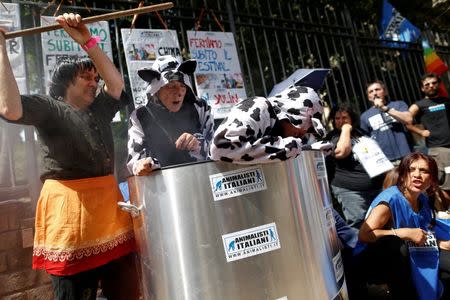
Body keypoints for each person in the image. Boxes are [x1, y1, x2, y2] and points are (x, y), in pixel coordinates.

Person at [0, 13, 138, 299]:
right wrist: (0, 47)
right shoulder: (49, 108)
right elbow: (9, 109)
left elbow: (115, 85)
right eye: (86, 77)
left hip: (110, 215)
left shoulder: (98, 109)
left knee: (125, 292)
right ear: (65, 83)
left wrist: (88, 40)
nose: (94, 82)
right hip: (70, 220)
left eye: (94, 77)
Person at [357, 152, 440, 299]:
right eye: (411, 169)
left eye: (424, 171)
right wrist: (402, 232)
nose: (417, 175)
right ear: (402, 175)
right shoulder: (390, 199)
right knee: (396, 245)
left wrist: (440, 242)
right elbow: (364, 235)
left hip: (413, 254)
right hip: (378, 262)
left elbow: (425, 232)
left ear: (431, 179)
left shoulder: (423, 199)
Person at [127, 55, 214, 176]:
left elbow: (216, 149)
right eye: (170, 86)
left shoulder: (200, 107)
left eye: (182, 86)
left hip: (200, 179)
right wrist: (142, 164)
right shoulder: (140, 115)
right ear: (157, 90)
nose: (178, 92)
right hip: (159, 186)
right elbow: (134, 159)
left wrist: (198, 143)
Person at [210, 85, 331, 163]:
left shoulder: (279, 126)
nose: (304, 131)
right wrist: (289, 147)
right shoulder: (259, 106)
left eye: (310, 129)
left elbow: (259, 153)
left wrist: (307, 151)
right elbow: (220, 148)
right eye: (307, 123)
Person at [325, 104, 384, 229]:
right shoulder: (333, 137)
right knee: (360, 225)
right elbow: (341, 152)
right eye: (337, 118)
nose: (340, 121)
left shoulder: (361, 133)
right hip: (351, 191)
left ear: (352, 118)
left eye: (344, 118)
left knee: (379, 224)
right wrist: (345, 129)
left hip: (375, 187)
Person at [408, 73, 450, 195]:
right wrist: (420, 131)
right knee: (446, 183)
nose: (431, 86)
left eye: (434, 83)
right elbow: (406, 120)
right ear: (422, 88)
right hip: (439, 149)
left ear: (438, 84)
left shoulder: (446, 101)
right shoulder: (420, 104)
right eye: (427, 84)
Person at [360, 80, 413, 164]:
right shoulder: (364, 116)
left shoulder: (398, 104)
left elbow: (408, 120)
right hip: (384, 161)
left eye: (377, 89)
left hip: (406, 156)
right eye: (371, 91)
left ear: (385, 92)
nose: (375, 93)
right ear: (369, 97)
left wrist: (385, 108)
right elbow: (365, 140)